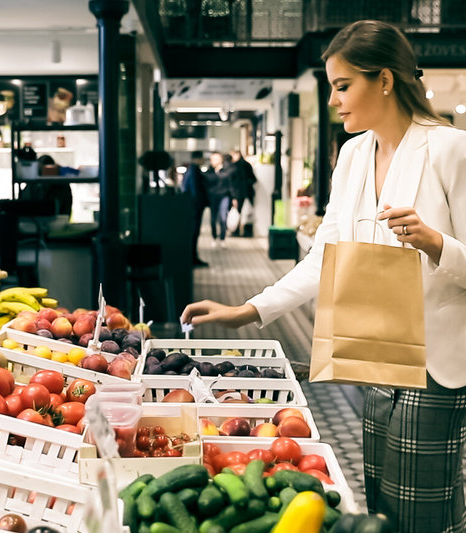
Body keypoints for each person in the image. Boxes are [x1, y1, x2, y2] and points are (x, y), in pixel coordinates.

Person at [181, 20, 466, 533]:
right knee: (379, 499)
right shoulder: (353, 154)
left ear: (384, 80)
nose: (334, 100)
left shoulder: (450, 150)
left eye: (342, 86)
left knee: (423, 512)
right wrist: (249, 309)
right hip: (376, 351)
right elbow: (326, 258)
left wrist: (435, 242)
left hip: (434, 361)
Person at [181, 150, 210, 267]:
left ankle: (193, 257)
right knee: (194, 232)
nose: (203, 160)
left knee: (194, 233)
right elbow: (195, 190)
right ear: (197, 158)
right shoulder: (194, 171)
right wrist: (199, 204)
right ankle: (192, 258)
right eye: (202, 158)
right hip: (194, 207)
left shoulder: (190, 170)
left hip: (192, 206)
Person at [205, 151, 234, 248]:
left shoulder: (226, 169)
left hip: (224, 196)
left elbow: (230, 184)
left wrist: (234, 198)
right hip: (213, 197)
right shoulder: (209, 171)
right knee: (213, 219)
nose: (214, 161)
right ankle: (214, 237)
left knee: (223, 217)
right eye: (212, 159)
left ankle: (222, 238)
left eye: (216, 159)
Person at [229, 149, 257, 236]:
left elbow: (232, 182)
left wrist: (233, 195)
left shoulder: (233, 166)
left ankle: (235, 231)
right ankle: (248, 232)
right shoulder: (247, 165)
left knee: (237, 212)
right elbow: (254, 179)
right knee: (248, 213)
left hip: (238, 193)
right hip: (248, 193)